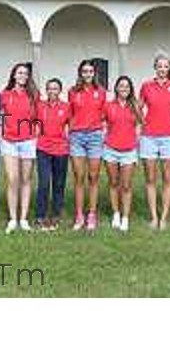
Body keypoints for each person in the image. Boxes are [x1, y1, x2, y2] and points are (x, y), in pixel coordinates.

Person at [138, 53, 170, 230]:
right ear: (155, 67)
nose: (163, 69)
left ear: (169, 69)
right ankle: (153, 217)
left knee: (167, 178)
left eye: (166, 66)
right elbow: (139, 106)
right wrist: (143, 121)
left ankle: (164, 217)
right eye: (160, 66)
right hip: (149, 136)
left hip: (169, 137)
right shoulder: (146, 86)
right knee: (150, 178)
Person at [0, 63, 39, 234]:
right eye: (20, 72)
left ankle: (23, 219)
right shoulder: (4, 95)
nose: (23, 75)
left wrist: (35, 135)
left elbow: (39, 118)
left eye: (25, 73)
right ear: (14, 75)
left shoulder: (34, 96)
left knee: (26, 179)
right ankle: (12, 219)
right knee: (12, 178)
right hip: (9, 142)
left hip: (28, 142)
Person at [68, 60, 107, 231]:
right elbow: (70, 114)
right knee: (79, 177)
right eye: (84, 71)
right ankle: (79, 214)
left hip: (95, 137)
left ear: (94, 73)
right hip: (77, 136)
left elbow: (104, 114)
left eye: (90, 71)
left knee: (93, 177)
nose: (87, 74)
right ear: (80, 73)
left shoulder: (101, 92)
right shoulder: (72, 92)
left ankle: (91, 214)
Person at [103, 76, 143, 233]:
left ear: (130, 89)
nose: (124, 89)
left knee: (126, 185)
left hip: (129, 150)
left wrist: (137, 141)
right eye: (121, 86)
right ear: (116, 88)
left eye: (127, 86)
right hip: (111, 150)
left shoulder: (135, 106)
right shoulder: (109, 106)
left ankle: (125, 217)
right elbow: (102, 123)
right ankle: (116, 214)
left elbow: (141, 124)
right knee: (113, 183)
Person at [35, 78, 71, 231]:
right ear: (46, 90)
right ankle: (40, 215)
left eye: (55, 89)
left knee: (59, 183)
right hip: (43, 148)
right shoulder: (40, 105)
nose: (52, 91)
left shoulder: (66, 106)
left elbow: (72, 124)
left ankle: (56, 214)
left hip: (61, 150)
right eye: (49, 88)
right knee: (44, 183)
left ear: (60, 91)